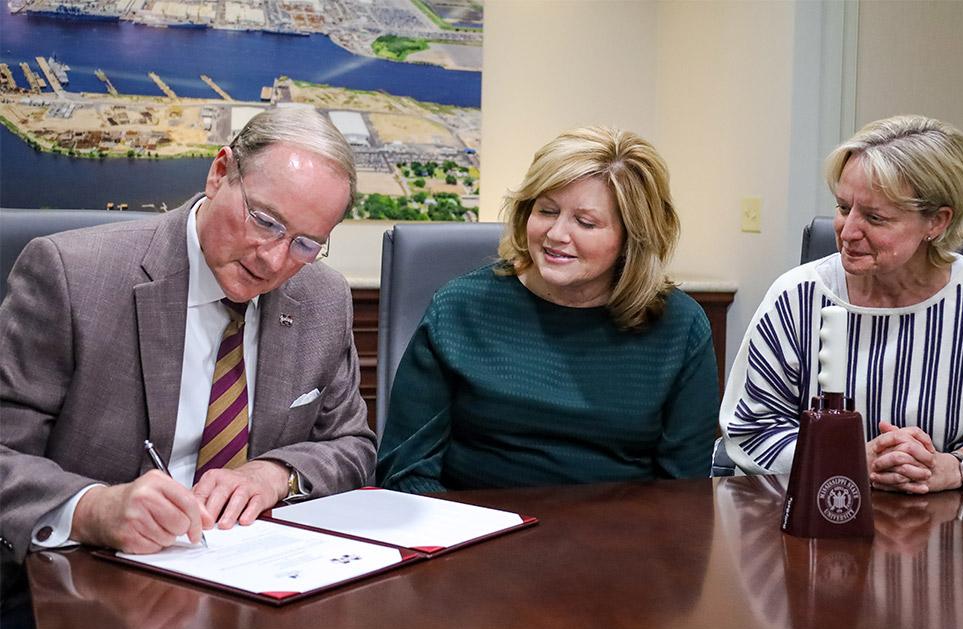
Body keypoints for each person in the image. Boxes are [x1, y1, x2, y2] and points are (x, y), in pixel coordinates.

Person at [0, 107, 376, 568]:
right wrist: (93, 509)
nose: (275, 261)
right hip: (82, 573)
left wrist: (276, 474)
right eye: (265, 222)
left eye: (305, 244)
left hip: (252, 576)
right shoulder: (72, 276)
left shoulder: (322, 298)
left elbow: (352, 445)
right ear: (220, 173)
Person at [377, 126, 719, 493]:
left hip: (619, 541)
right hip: (476, 533)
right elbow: (405, 470)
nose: (556, 234)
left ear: (633, 237)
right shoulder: (460, 307)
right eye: (546, 210)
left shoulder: (679, 327)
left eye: (585, 222)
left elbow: (684, 492)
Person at [720, 114, 963, 493]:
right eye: (842, 207)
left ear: (937, 222)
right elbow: (752, 429)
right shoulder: (796, 298)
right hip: (811, 520)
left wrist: (953, 467)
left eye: (874, 217)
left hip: (945, 526)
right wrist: (843, 459)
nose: (848, 231)